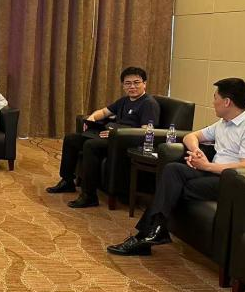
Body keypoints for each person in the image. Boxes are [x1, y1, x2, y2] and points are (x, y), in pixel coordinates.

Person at [108, 77, 245, 256]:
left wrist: (206, 166)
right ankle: (154, 232)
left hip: (236, 183)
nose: (213, 102)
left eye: (215, 98)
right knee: (172, 170)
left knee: (172, 189)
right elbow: (190, 136)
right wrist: (196, 150)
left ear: (227, 102)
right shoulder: (224, 123)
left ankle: (146, 236)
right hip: (215, 173)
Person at [47, 66, 160, 208]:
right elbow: (104, 112)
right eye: (128, 83)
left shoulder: (149, 103)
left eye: (136, 82)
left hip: (125, 143)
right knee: (71, 139)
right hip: (110, 136)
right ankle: (67, 181)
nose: (132, 86)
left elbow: (146, 132)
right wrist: (91, 119)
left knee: (91, 145)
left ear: (145, 83)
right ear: (123, 86)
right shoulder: (124, 101)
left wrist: (116, 133)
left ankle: (89, 196)